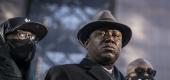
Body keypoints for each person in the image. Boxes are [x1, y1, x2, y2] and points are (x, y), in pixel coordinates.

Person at [45, 10, 132, 80]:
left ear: (120, 45)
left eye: (116, 35)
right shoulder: (64, 73)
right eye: (101, 34)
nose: (110, 39)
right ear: (87, 43)